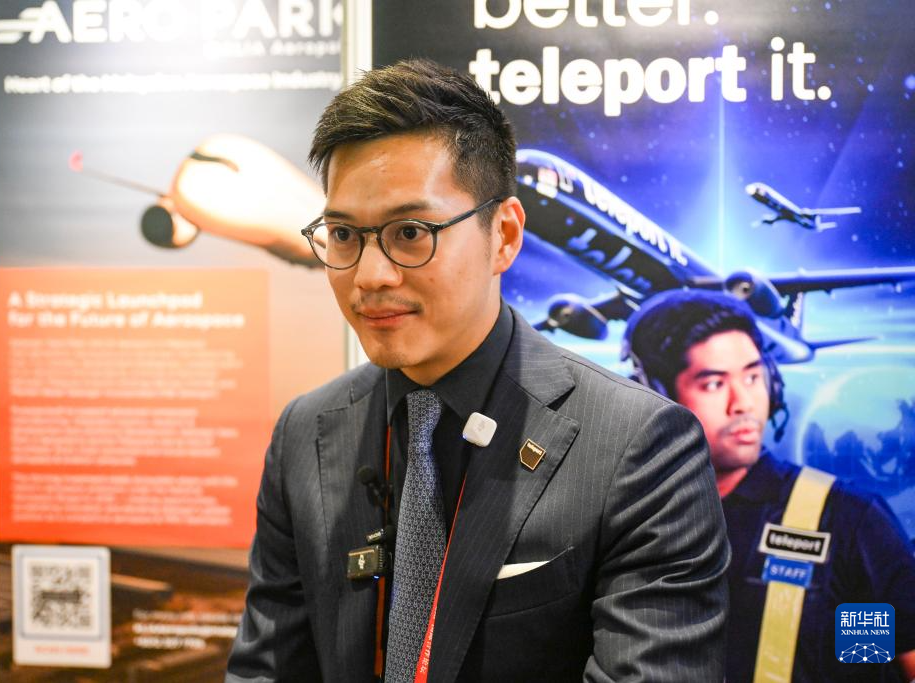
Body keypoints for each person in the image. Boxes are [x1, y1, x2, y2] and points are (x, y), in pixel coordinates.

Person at [226, 59, 730, 683]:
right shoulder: (307, 433)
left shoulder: (639, 447)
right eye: (344, 235)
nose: (370, 276)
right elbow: (267, 668)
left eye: (411, 232)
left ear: (505, 236)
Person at [623, 289, 915, 683]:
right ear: (654, 396)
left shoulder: (845, 522)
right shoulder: (622, 520)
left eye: (752, 376)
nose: (743, 403)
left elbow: (886, 663)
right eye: (714, 384)